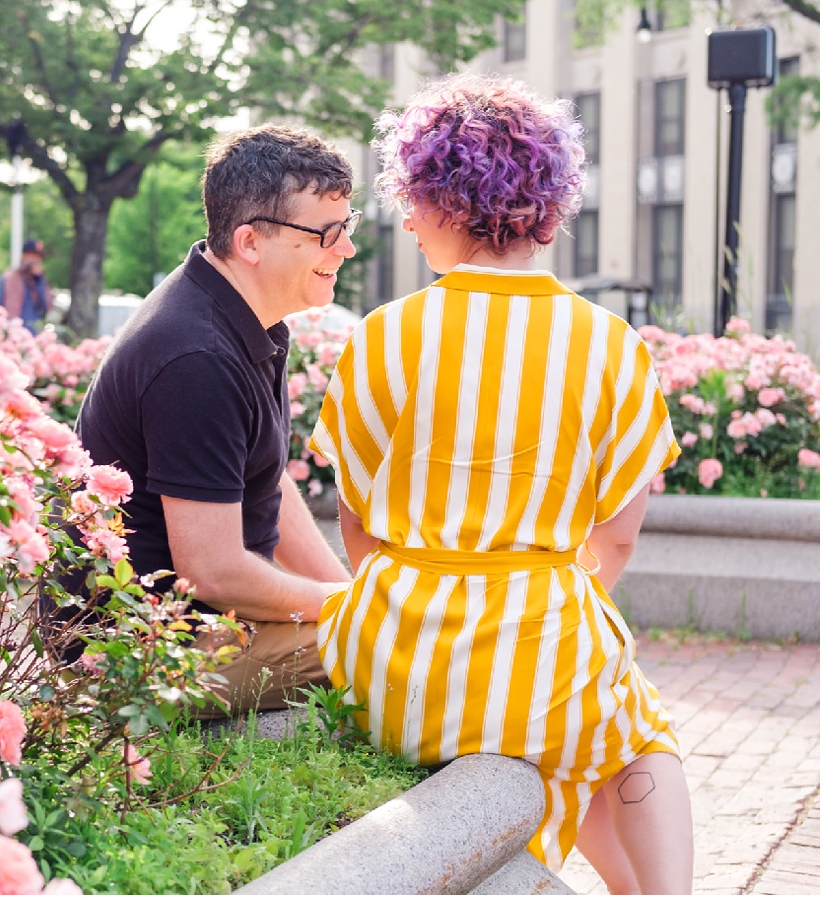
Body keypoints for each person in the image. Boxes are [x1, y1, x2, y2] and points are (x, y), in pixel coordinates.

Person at [309, 75, 693, 893]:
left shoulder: (382, 338)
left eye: (414, 198)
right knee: (624, 719)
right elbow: (617, 535)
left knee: (584, 699)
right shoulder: (611, 344)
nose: (407, 220)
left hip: (395, 664)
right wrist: (546, 604)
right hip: (542, 649)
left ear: (451, 201)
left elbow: (358, 528)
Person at [71, 125, 359, 718]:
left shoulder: (242, 317)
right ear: (250, 241)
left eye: (346, 228)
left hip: (194, 625)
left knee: (383, 630)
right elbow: (214, 573)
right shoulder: (196, 355)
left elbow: (266, 479)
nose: (346, 250)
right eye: (328, 233)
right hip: (141, 655)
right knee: (401, 649)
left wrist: (349, 595)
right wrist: (356, 614)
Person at [0, 239, 50, 326]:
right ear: (24, 256)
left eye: (38, 257)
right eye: (32, 255)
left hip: (33, 333)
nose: (35, 260)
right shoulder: (7, 277)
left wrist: (39, 280)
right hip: (11, 330)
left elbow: (47, 306)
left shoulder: (39, 280)